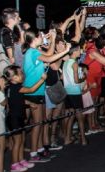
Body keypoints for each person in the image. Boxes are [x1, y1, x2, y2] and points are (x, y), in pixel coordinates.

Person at [22, 30, 70, 162]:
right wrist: (65, 50)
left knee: (41, 122)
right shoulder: (32, 52)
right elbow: (49, 58)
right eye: (41, 36)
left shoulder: (35, 51)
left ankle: (40, 150)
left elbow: (48, 54)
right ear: (35, 39)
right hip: (33, 92)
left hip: (38, 91)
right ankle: (33, 154)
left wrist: (53, 39)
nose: (43, 38)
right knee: (37, 124)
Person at [4, 65, 43, 171]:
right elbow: (31, 89)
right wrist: (42, 79)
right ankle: (14, 164)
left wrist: (29, 103)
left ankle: (21, 160)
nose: (23, 75)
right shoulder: (16, 87)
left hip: (18, 116)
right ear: (14, 78)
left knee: (21, 140)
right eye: (20, 73)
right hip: (14, 118)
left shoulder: (10, 87)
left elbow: (17, 100)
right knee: (17, 142)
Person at [62, 45, 88, 146]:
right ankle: (83, 139)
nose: (80, 52)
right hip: (75, 92)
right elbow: (77, 80)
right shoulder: (74, 63)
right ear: (74, 52)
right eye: (78, 50)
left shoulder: (65, 63)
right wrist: (84, 77)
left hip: (67, 91)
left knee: (71, 116)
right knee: (80, 117)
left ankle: (67, 138)